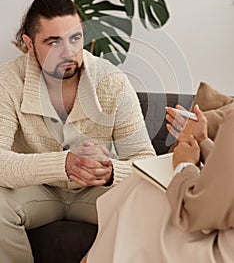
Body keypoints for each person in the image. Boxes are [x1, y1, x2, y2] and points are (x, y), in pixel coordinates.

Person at [0, 0, 156, 262]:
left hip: (96, 193)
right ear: (29, 43)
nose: (69, 52)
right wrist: (64, 164)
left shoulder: (113, 81)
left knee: (154, 202)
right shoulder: (7, 81)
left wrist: (110, 172)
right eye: (53, 42)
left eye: (75, 38)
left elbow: (145, 161)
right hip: (38, 190)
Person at [80, 103, 234, 263]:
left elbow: (197, 212)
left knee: (142, 192)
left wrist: (185, 165)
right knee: (142, 191)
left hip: (219, 251)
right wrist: (201, 141)